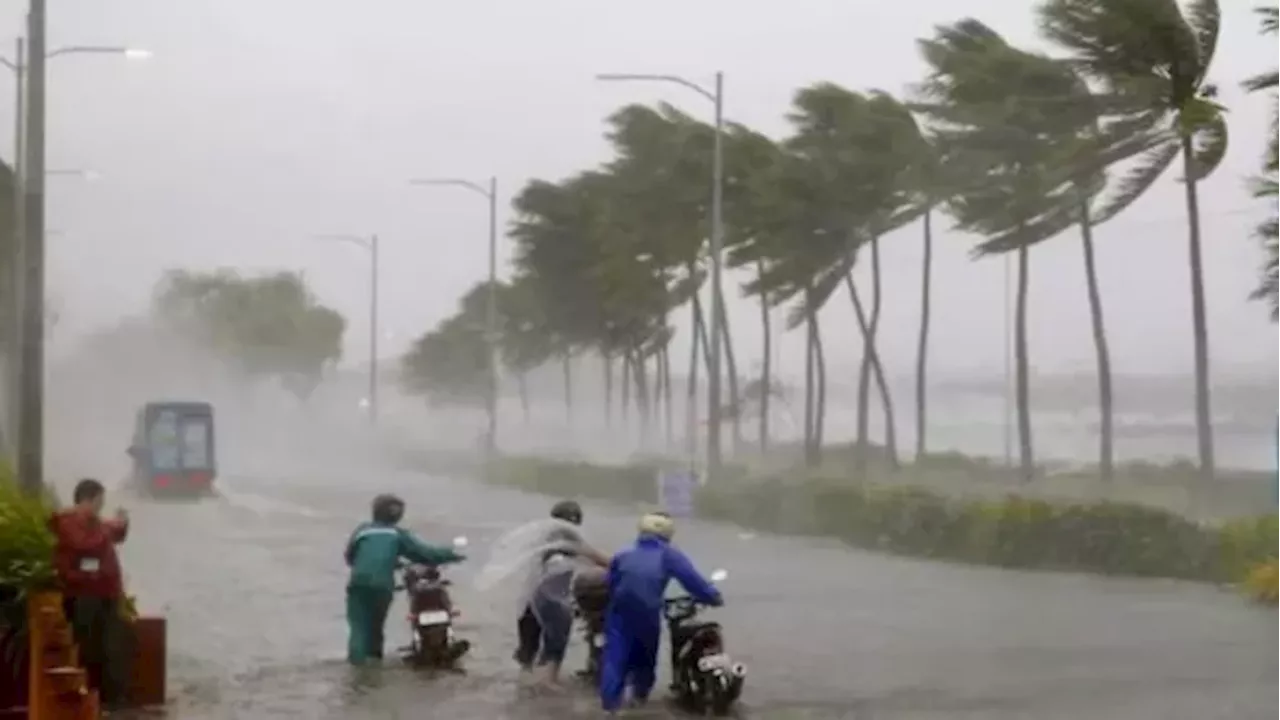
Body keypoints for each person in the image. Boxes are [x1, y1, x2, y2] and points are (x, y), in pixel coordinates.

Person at [599, 511, 723, 715]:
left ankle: (610, 706)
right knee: (646, 655)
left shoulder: (623, 553)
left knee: (615, 656)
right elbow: (692, 581)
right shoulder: (669, 554)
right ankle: (639, 699)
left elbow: (611, 583)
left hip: (619, 611)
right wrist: (713, 597)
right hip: (647, 611)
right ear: (667, 533)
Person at [344, 493, 466, 665]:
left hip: (358, 584)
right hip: (382, 586)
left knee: (358, 627)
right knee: (376, 627)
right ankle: (373, 661)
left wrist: (386, 562)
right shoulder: (396, 534)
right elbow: (425, 554)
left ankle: (356, 665)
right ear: (398, 515)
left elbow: (350, 557)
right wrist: (451, 555)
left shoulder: (362, 531)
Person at [49, 478, 131, 710]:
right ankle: (91, 700)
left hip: (106, 593)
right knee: (90, 647)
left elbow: (115, 532)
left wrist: (122, 522)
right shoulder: (69, 523)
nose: (99, 508)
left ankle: (110, 699)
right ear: (86, 500)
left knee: (112, 646)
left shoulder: (96, 524)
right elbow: (88, 544)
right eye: (98, 502)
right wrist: (109, 528)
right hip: (84, 595)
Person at [513, 499, 609, 686]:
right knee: (554, 648)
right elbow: (598, 558)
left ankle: (524, 688)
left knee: (528, 650)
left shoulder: (542, 538)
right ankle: (548, 687)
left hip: (529, 599)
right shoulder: (570, 539)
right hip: (553, 601)